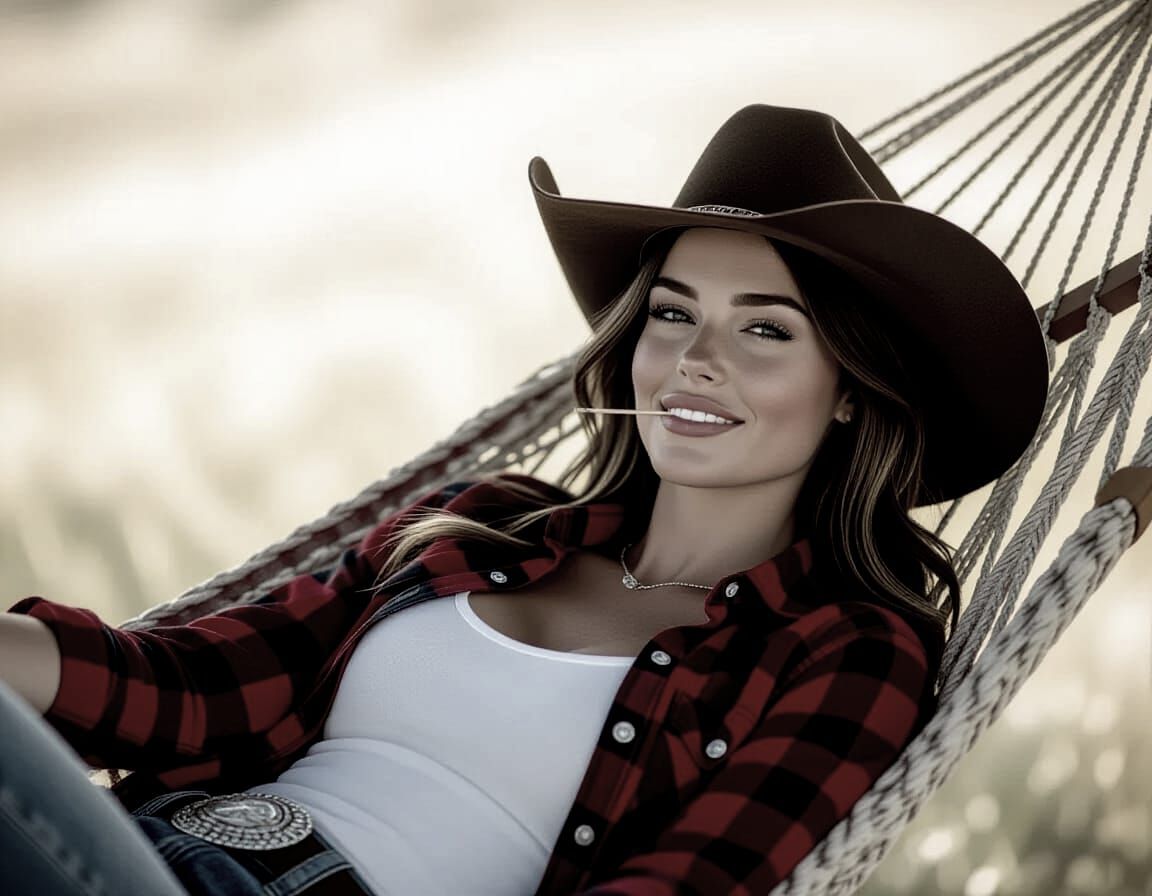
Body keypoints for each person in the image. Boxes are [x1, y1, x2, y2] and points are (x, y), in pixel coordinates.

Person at [0, 103, 1048, 896]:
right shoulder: (491, 522)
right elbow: (203, 680)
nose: (695, 361)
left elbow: (685, 883)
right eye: (673, 314)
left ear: (853, 396)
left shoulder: (843, 649)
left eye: (765, 329)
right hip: (138, 841)